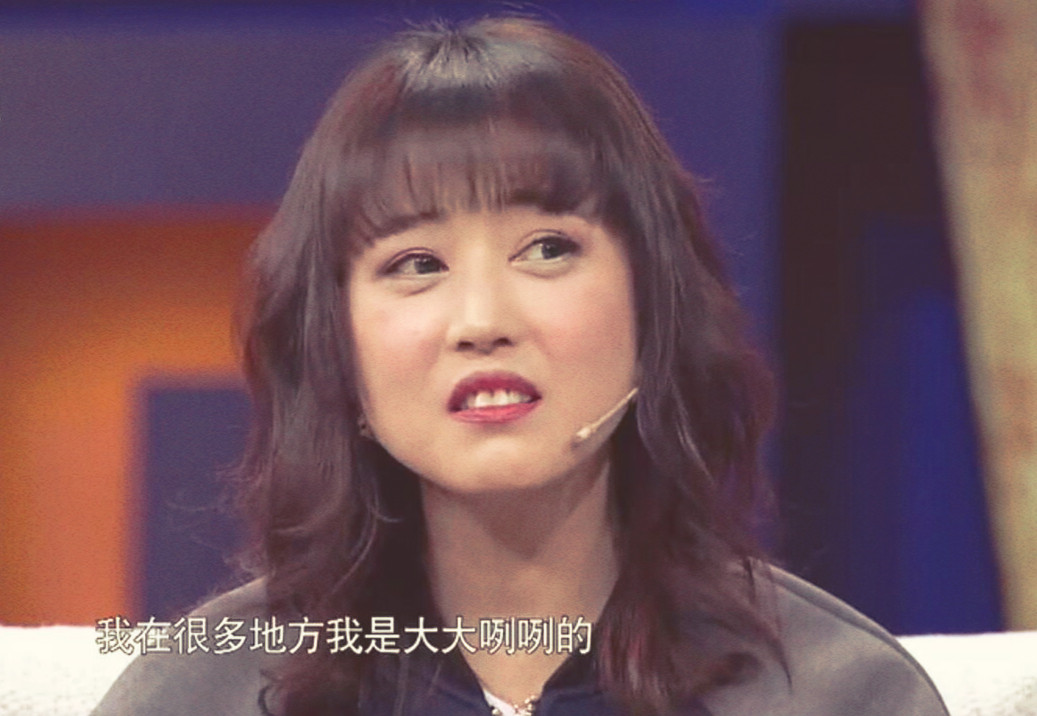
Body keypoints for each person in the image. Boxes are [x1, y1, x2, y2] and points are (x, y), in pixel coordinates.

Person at [94, 16, 948, 716]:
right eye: (416, 264)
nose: (482, 322)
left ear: (653, 306)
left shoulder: (832, 693)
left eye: (546, 249)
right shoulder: (207, 693)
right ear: (336, 347)